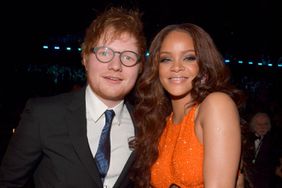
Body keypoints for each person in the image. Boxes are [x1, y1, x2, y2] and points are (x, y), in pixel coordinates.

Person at [0, 6, 146, 188]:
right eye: (104, 53)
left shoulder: (146, 124)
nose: (115, 65)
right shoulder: (43, 116)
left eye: (128, 57)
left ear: (140, 67)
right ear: (85, 58)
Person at [130, 23, 244, 187]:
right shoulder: (160, 125)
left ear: (203, 65)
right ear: (157, 68)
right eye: (166, 59)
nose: (176, 67)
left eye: (189, 57)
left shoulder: (216, 105)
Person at [242, 112, 276, 188]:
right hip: (247, 181)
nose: (262, 127)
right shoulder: (246, 140)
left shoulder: (274, 142)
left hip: (265, 182)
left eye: (265, 124)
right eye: (259, 124)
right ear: (253, 126)